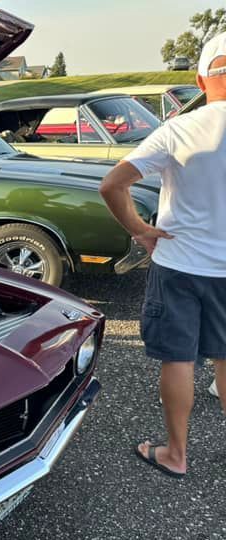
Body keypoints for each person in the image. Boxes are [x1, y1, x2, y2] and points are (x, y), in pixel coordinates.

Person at [99, 32, 226, 478]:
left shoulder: (180, 128)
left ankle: (176, 454)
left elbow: (112, 185)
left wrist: (139, 230)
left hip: (179, 264)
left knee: (179, 360)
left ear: (199, 78)